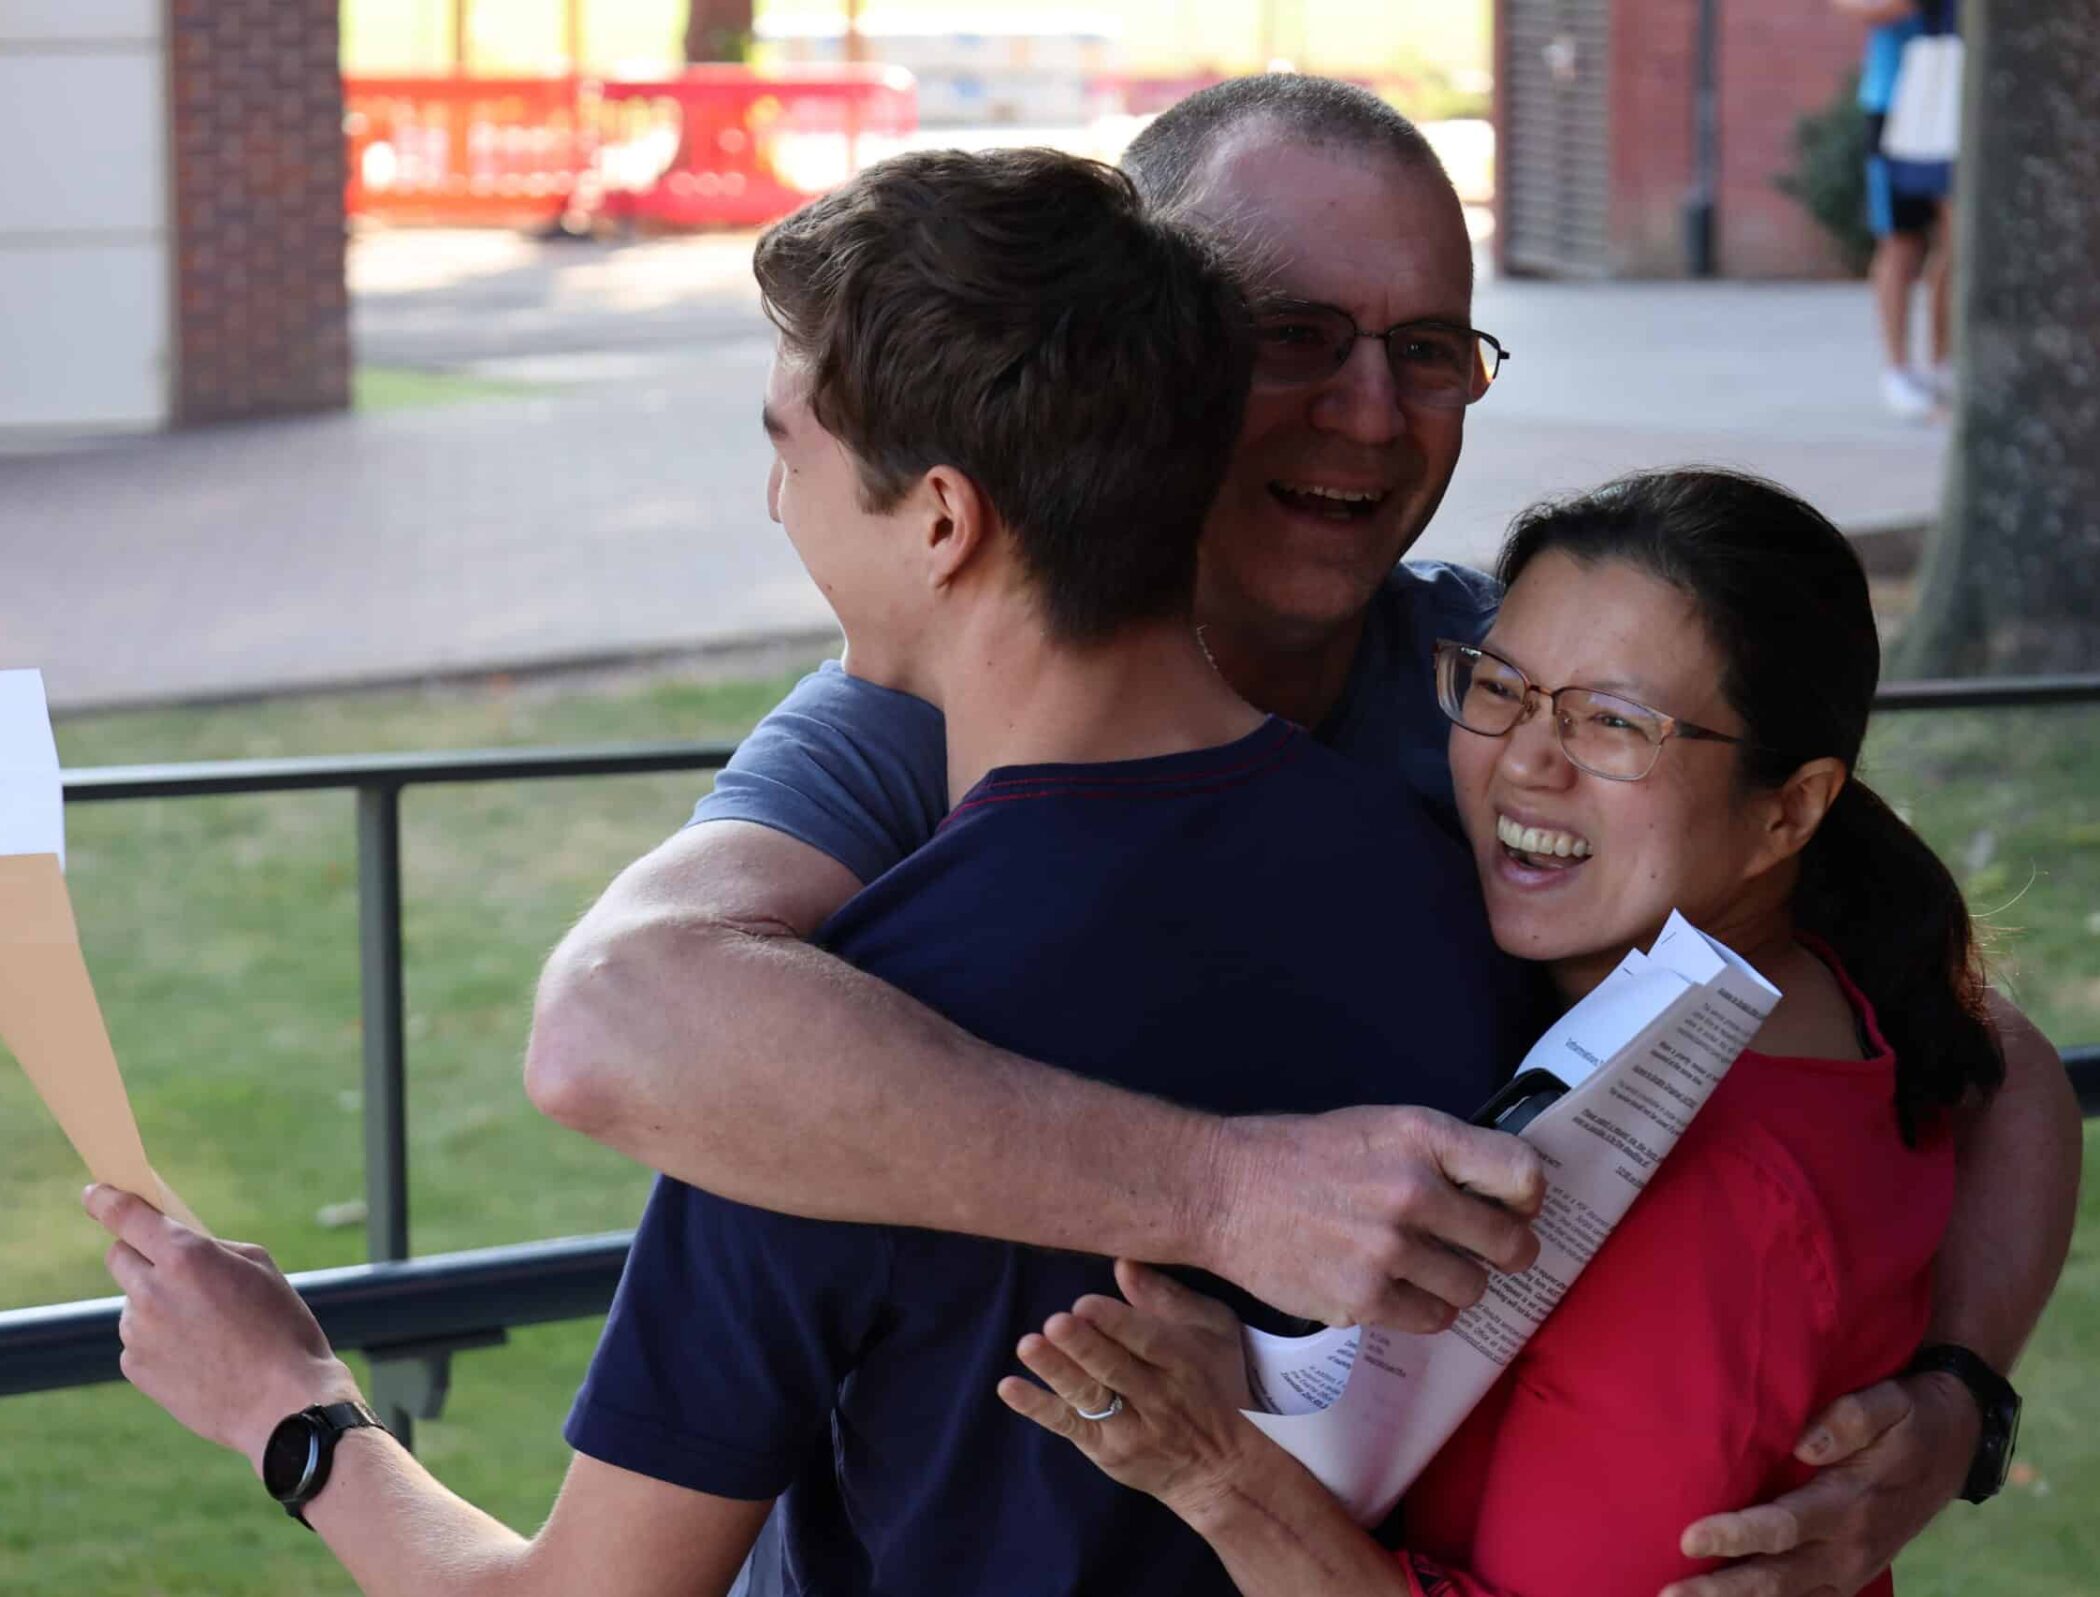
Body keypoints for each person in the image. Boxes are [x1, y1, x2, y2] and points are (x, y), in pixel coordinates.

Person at [524, 75, 2080, 1597]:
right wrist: (1224, 1190)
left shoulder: (1513, 695)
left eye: (1427, 349)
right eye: (1294, 339)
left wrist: (1953, 1404)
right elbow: (613, 1021)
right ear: (1153, 360)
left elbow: (1970, 1049)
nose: (1371, 410)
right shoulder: (911, 713)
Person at [85, 145, 1543, 1597]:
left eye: (790, 448)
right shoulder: (1457, 891)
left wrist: (291, 1409)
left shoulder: (823, 1054)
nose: (777, 505)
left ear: (944, 520)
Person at [1001, 468, 2030, 1597]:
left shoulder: (1709, 1187)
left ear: (1788, 808)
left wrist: (1213, 1468)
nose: (1526, 761)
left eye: (1615, 723)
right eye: (1504, 686)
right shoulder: (1793, 989)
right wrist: (1262, 1372)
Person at [1839, 0, 1958, 419]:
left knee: (1961, 239)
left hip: (1960, 103)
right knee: (1900, 240)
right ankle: (1898, 372)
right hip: (1895, 99)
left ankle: (1945, 365)